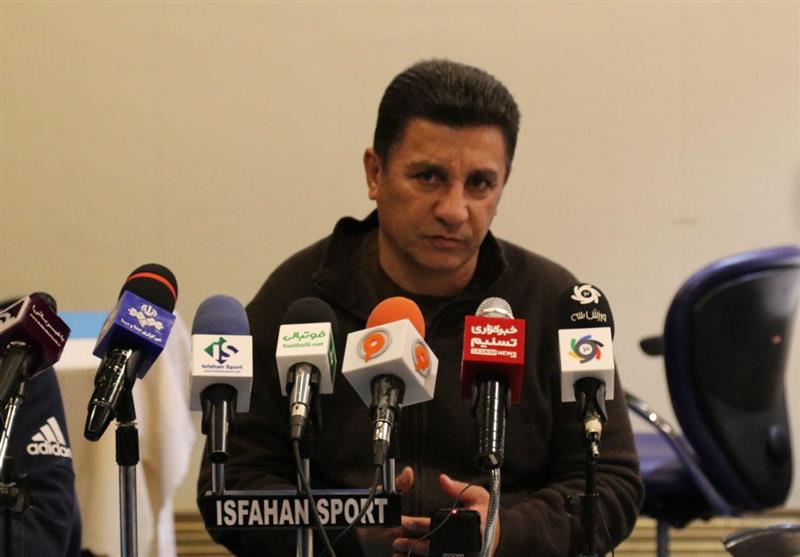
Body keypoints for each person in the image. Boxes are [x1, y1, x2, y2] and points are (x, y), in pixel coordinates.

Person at [198, 59, 643, 557]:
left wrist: (502, 533)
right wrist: (351, 528)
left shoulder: (550, 301)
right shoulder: (300, 301)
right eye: (428, 176)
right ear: (375, 173)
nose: (454, 210)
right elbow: (231, 487)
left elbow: (612, 484)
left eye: (480, 183)